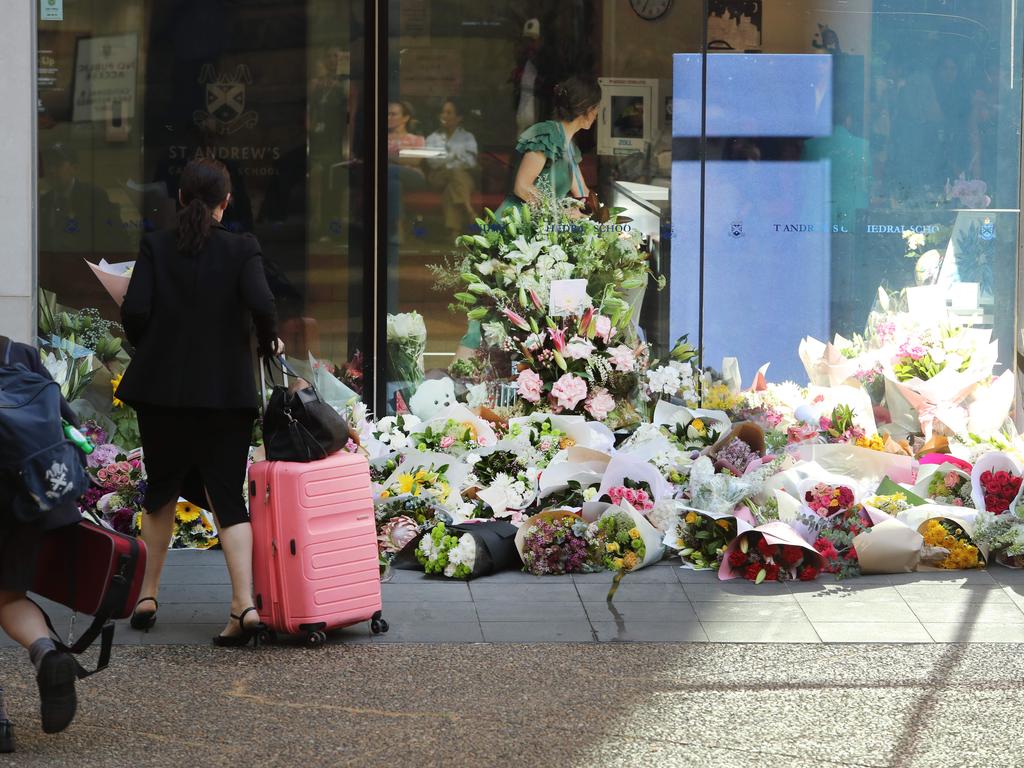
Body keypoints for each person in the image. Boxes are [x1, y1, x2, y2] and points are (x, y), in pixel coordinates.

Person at [116, 158, 282, 647]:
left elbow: (136, 311)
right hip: (225, 394)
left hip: (161, 391)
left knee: (162, 488)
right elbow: (263, 303)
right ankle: (244, 603)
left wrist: (152, 342)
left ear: (183, 199)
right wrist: (268, 339)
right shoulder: (241, 247)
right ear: (225, 202)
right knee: (228, 497)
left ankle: (147, 595)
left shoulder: (156, 245)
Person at [457, 75, 600, 355]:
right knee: (490, 311)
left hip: (537, 233)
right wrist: (560, 211)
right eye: (596, 107)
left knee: (522, 314)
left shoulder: (569, 146)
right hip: (513, 230)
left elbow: (582, 195)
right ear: (585, 108)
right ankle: (463, 375)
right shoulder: (547, 134)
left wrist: (594, 215)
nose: (596, 114)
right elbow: (522, 187)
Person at [0, 338, 85, 752]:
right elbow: (65, 424)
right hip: (23, 499)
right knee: (9, 597)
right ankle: (46, 653)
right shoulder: (18, 354)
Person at [424, 98, 479, 238]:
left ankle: (454, 232)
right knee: (457, 174)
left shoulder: (467, 137)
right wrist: (455, 157)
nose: (444, 116)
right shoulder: (433, 138)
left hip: (461, 179)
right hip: (438, 177)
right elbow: (433, 162)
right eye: (442, 112)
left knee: (452, 188)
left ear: (459, 117)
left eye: (449, 112)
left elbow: (471, 162)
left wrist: (447, 158)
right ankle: (469, 209)